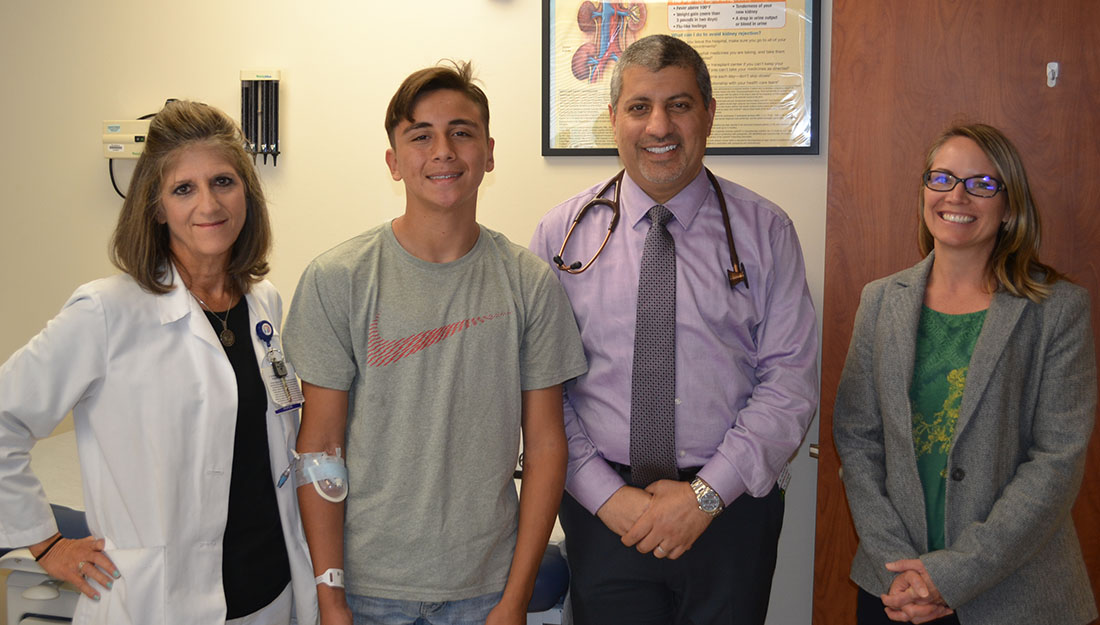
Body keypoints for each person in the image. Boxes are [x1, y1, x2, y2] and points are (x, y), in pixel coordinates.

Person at [283, 61, 587, 625]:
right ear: (394, 162)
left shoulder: (529, 284)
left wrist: (514, 601)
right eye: (420, 136)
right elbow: (320, 447)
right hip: (366, 585)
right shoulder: (339, 278)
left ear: (489, 153)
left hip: (486, 587)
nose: (443, 149)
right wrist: (331, 597)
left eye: (461, 132)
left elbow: (546, 447)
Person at [529, 34, 819, 624]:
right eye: (639, 107)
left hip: (731, 511)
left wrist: (705, 497)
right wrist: (607, 499)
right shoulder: (561, 237)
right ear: (613, 119)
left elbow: (790, 383)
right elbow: (541, 392)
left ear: (709, 115)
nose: (659, 125)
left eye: (679, 105)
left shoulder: (766, 232)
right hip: (603, 512)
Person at [0, 100, 318, 624]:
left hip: (270, 593)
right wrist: (45, 543)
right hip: (161, 604)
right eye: (183, 189)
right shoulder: (106, 312)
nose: (208, 204)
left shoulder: (265, 303)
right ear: (155, 206)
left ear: (247, 193)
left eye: (223, 181)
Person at [833, 123, 1098, 625]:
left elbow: (1057, 461)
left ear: (1009, 205)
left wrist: (951, 576)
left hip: (1018, 595)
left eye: (982, 184)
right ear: (924, 192)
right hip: (895, 591)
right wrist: (899, 569)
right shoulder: (880, 300)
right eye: (943, 178)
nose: (957, 195)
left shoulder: (1057, 309)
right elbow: (857, 438)